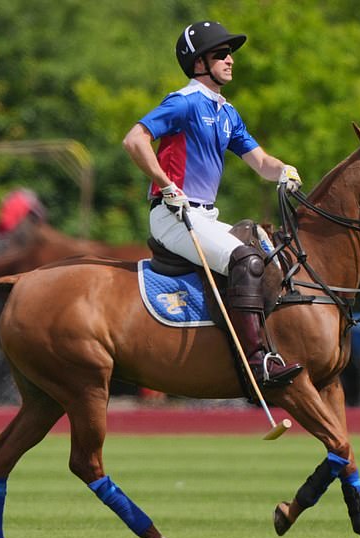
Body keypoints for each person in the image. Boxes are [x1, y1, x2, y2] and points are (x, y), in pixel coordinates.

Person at [123, 20, 303, 389]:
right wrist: (164, 183)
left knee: (266, 256)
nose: (230, 60)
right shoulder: (183, 103)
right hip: (172, 216)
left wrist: (284, 170)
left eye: (230, 54)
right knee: (246, 260)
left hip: (204, 216)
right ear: (198, 62)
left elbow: (261, 162)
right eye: (221, 54)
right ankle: (256, 363)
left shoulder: (227, 113)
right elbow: (134, 140)